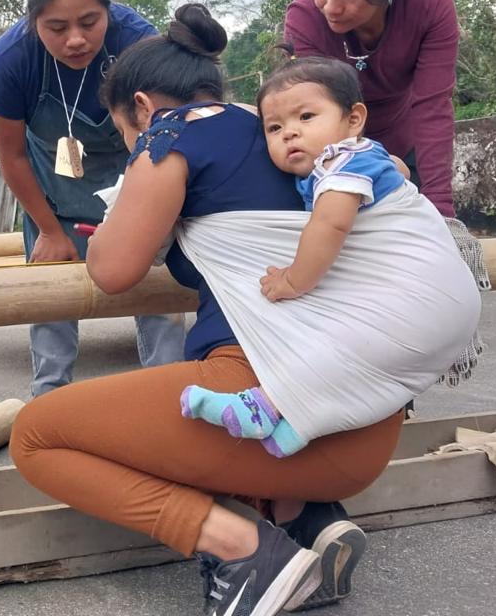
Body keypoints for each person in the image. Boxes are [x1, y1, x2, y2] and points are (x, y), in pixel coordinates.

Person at [12, 6, 406, 616]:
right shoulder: (292, 131)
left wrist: (136, 191)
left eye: (124, 136)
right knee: (178, 403)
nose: (132, 149)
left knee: (36, 436)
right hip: (368, 421)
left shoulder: (173, 132)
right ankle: (308, 521)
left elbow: (112, 270)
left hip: (267, 404)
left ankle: (245, 550)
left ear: (143, 108)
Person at [178, 56, 480, 459]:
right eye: (274, 127)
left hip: (422, 299)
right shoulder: (366, 157)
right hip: (446, 306)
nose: (290, 133)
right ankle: (300, 427)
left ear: (354, 119)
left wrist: (293, 280)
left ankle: (265, 403)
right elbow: (401, 172)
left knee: (331, 339)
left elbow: (331, 226)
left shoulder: (341, 161)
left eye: (306, 116)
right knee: (356, 362)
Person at [0, 0, 184, 396]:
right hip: (50, 193)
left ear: (109, 11)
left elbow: (166, 134)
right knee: (51, 303)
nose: (75, 39)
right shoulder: (10, 59)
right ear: (34, 22)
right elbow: (10, 156)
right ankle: (49, 401)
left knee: (157, 293)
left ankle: (167, 397)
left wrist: (147, 214)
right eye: (56, 27)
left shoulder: (138, 43)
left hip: (135, 185)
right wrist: (49, 231)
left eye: (89, 22)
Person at [283, 0, 459, 218]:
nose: (332, 7)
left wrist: (442, 214)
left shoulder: (430, 7)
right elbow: (318, 115)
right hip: (336, 159)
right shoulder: (305, 17)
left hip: (406, 151)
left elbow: (432, 110)